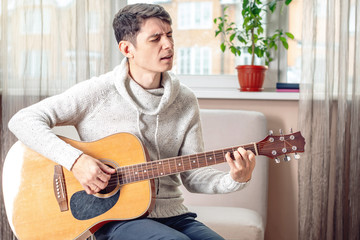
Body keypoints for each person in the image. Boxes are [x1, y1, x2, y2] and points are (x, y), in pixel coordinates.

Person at [8, 3, 256, 240]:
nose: (168, 45)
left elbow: (193, 176)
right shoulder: (98, 92)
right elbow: (23, 120)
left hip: (174, 216)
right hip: (114, 219)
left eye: (170, 35)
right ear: (127, 49)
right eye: (156, 38)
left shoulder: (185, 101)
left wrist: (235, 179)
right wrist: (76, 161)